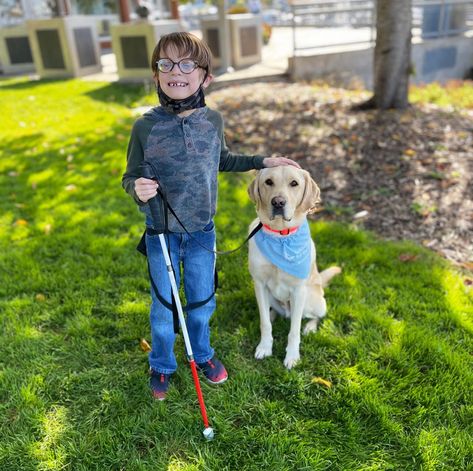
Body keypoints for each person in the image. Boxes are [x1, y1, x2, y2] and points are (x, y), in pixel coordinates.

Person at [122, 32, 299, 400]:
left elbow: (223, 160)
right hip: (161, 233)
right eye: (166, 64)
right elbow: (130, 176)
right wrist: (137, 188)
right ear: (156, 75)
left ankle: (201, 353)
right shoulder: (145, 128)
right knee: (164, 304)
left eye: (187, 64)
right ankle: (162, 363)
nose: (176, 71)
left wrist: (262, 162)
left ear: (205, 77)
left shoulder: (212, 121)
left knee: (202, 299)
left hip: (202, 231)